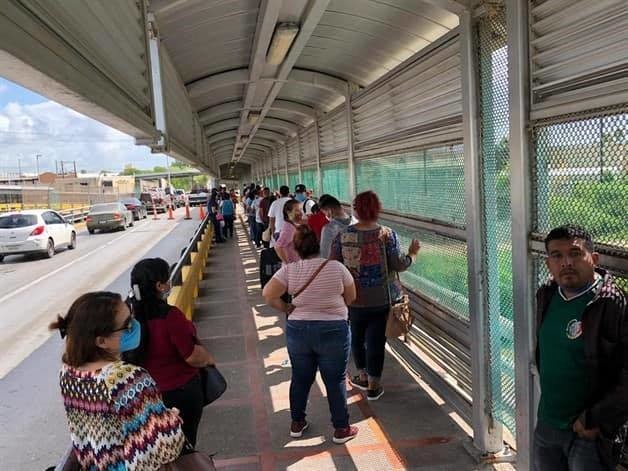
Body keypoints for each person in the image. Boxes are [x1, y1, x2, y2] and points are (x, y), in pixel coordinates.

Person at [50, 291, 184, 469]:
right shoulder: (127, 379)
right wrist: (172, 420)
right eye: (127, 325)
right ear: (101, 341)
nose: (135, 325)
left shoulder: (68, 372)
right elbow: (162, 447)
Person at [533, 225, 627, 471]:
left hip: (588, 433)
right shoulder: (546, 296)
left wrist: (594, 418)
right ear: (548, 264)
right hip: (547, 422)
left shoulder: (612, 304)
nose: (566, 262)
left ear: (593, 259)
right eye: (557, 255)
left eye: (575, 254)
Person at [262, 225, 359, 444]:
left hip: (299, 331)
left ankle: (297, 423)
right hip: (334, 329)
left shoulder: (289, 270)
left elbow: (268, 295)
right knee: (335, 380)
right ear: (318, 246)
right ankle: (341, 429)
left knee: (300, 377)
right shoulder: (336, 268)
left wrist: (286, 308)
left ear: (296, 250)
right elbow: (351, 297)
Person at [330, 190, 420, 400]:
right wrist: (413, 253)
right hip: (381, 299)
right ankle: (373, 385)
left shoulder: (342, 236)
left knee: (357, 337)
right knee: (376, 341)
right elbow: (399, 264)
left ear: (356, 210)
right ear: (377, 209)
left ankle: (362, 375)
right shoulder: (387, 234)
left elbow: (334, 265)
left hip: (353, 298)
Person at [125, 258, 216, 446]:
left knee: (159, 449)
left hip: (143, 397)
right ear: (160, 285)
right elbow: (191, 356)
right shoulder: (170, 316)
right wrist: (208, 358)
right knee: (185, 444)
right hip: (179, 393)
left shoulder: (129, 318)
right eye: (167, 279)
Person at [319, 194, 353, 259]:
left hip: (338, 267)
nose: (326, 216)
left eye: (325, 213)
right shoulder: (356, 222)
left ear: (329, 211)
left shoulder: (329, 229)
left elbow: (325, 255)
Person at [275, 199, 303, 264]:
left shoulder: (292, 225)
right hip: (293, 268)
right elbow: (278, 247)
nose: (301, 213)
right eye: (297, 210)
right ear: (288, 212)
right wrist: (288, 264)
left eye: (301, 210)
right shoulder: (289, 228)